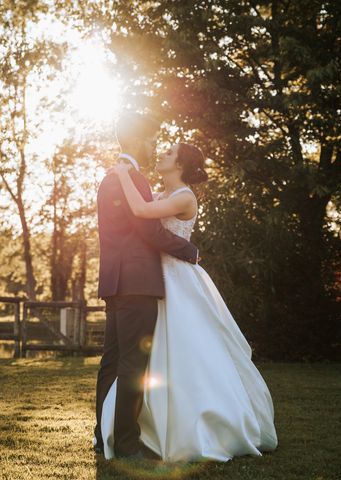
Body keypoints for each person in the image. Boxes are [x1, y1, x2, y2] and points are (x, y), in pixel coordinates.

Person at [99, 141, 279, 462]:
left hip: (176, 280)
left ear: (180, 165)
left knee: (186, 352)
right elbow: (142, 220)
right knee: (151, 358)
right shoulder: (161, 195)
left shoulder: (184, 197)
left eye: (169, 153)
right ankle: (143, 429)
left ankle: (202, 424)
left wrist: (124, 172)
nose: (161, 155)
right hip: (155, 278)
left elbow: (140, 212)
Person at [93, 113, 200, 460]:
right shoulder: (132, 178)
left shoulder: (110, 177)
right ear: (139, 141)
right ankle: (125, 444)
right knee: (132, 365)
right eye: (153, 140)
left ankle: (103, 435)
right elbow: (148, 231)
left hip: (114, 281)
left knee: (111, 362)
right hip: (137, 283)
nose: (155, 147)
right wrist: (190, 250)